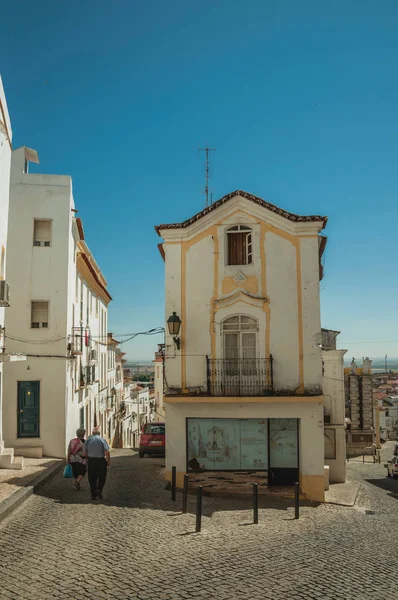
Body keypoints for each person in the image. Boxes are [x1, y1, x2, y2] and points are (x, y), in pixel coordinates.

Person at [84, 426, 110, 500]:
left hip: (91, 461)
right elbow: (107, 451)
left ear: (92, 433)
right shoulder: (102, 439)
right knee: (102, 477)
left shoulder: (88, 440)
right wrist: (108, 461)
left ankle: (93, 494)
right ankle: (99, 489)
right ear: (99, 433)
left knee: (92, 477)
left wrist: (88, 458)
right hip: (101, 461)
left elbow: (84, 452)